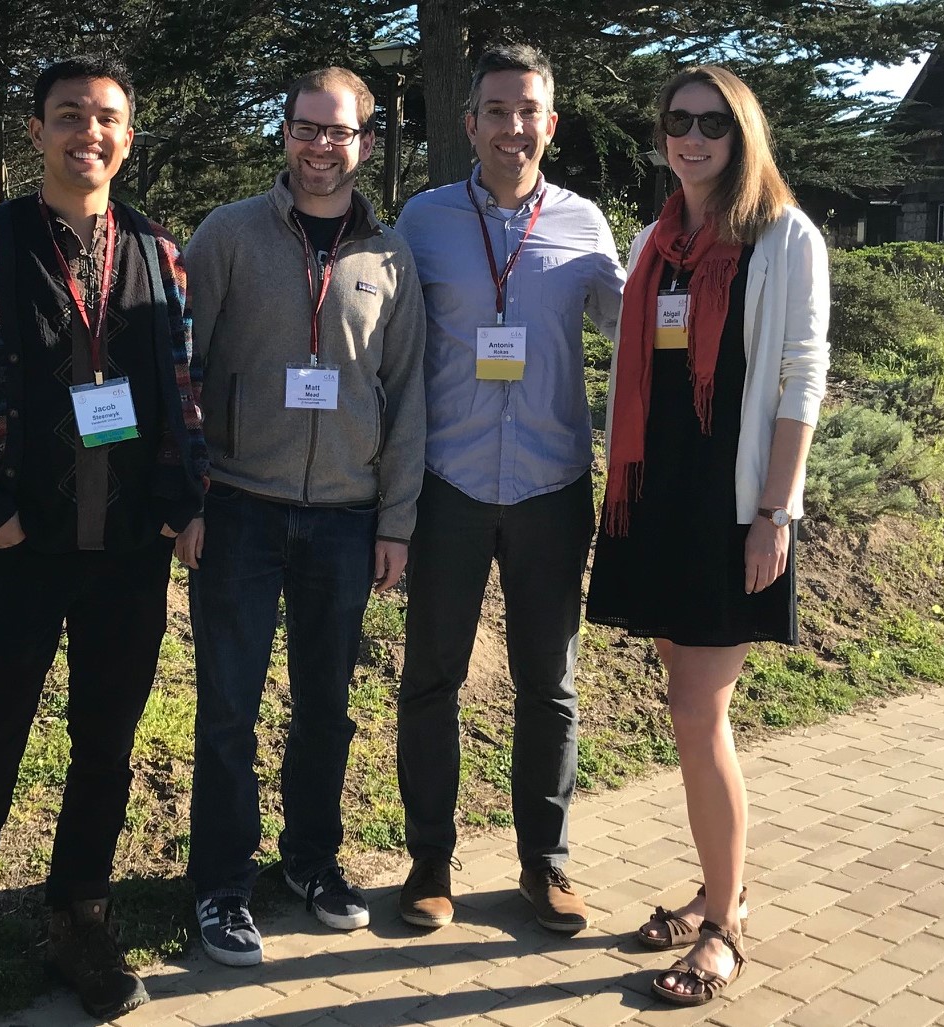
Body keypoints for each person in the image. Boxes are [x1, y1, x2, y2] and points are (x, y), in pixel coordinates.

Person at [0, 56, 207, 1026]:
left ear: (129, 134)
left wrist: (183, 494)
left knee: (106, 749)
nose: (90, 130)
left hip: (126, 551)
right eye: (69, 114)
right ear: (35, 131)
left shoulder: (160, 253)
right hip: (16, 550)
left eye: (108, 116)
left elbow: (184, 390)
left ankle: (79, 917)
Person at [585, 65, 830, 1006]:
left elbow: (800, 380)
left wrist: (775, 511)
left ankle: (725, 925)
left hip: (732, 508)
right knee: (687, 709)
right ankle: (713, 887)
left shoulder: (781, 236)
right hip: (656, 500)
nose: (691, 139)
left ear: (741, 136)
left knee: (698, 713)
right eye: (677, 123)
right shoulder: (658, 240)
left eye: (711, 125)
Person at [176, 66, 426, 967]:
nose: (322, 146)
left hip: (346, 521)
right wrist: (187, 496)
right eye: (305, 129)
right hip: (238, 510)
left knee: (326, 709)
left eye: (340, 131)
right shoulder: (229, 235)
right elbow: (181, 372)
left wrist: (395, 520)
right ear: (283, 134)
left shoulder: (391, 257)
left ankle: (311, 863)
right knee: (227, 713)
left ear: (366, 140)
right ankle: (219, 884)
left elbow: (406, 397)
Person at [393, 44, 624, 934]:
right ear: (470, 123)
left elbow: (633, 326)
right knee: (430, 680)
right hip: (444, 484)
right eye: (496, 110)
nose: (512, 127)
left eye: (528, 111)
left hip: (549, 485)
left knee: (549, 686)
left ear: (550, 124)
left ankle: (545, 864)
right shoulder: (422, 220)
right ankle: (428, 863)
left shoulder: (584, 224)